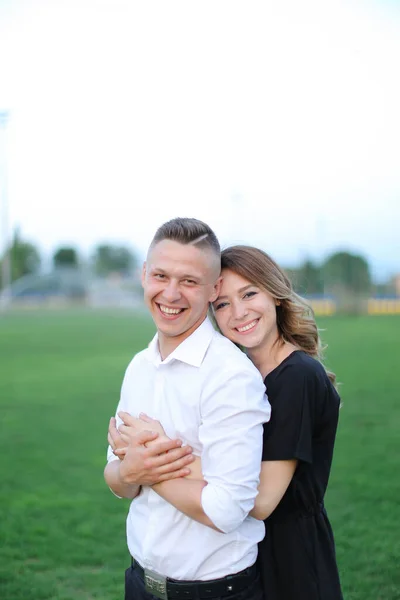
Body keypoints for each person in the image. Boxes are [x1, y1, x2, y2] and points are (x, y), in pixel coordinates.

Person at [112, 244, 343, 600]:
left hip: (290, 556)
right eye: (222, 304)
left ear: (276, 294)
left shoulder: (297, 376)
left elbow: (261, 499)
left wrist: (153, 458)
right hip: (251, 552)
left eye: (249, 294)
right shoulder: (243, 370)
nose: (238, 312)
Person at [104, 220, 271, 600]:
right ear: (144, 275)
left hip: (215, 592)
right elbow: (116, 479)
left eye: (190, 281)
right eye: (161, 275)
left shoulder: (230, 376)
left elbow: (227, 509)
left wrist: (147, 469)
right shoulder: (139, 366)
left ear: (214, 290)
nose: (171, 293)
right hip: (139, 583)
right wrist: (130, 471)